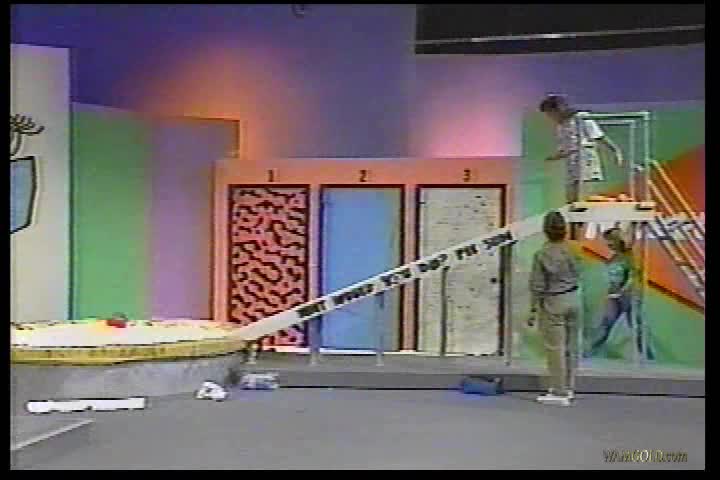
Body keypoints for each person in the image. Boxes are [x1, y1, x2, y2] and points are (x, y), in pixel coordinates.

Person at [528, 211, 582, 406]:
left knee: (555, 348)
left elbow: (537, 285)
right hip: (574, 298)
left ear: (545, 230)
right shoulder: (574, 249)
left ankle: (559, 392)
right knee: (571, 347)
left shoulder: (542, 254)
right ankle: (568, 387)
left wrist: (533, 310)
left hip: (554, 301)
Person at [539, 95, 625, 204]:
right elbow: (565, 149)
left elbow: (599, 136)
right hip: (572, 165)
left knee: (583, 196)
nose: (550, 117)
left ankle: (614, 202)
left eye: (550, 113)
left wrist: (615, 150)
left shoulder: (581, 117)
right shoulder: (561, 126)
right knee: (571, 198)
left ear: (558, 109)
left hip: (586, 161)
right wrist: (552, 158)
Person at [588, 227, 654, 360]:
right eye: (607, 241)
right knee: (606, 324)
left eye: (610, 241)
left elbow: (633, 276)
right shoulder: (613, 257)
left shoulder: (628, 256)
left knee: (637, 328)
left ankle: (649, 357)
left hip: (629, 297)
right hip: (614, 297)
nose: (608, 244)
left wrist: (622, 291)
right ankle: (589, 353)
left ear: (618, 240)